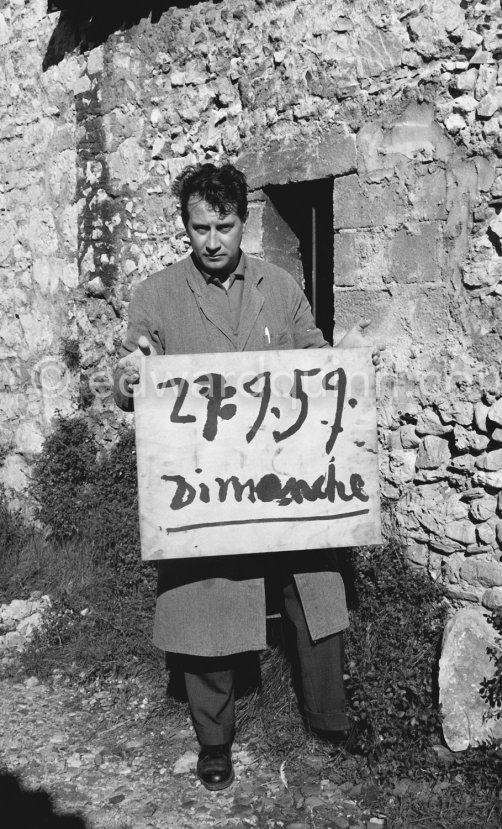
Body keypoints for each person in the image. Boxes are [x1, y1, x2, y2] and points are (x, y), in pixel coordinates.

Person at [113, 162, 380, 791]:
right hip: (206, 484)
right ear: (185, 227)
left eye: (225, 227)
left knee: (315, 578)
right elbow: (132, 376)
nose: (212, 241)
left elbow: (312, 353)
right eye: (200, 228)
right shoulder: (157, 295)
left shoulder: (278, 286)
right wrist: (129, 378)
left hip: (280, 472)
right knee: (203, 593)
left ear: (244, 223)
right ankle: (214, 741)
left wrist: (336, 368)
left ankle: (329, 717)